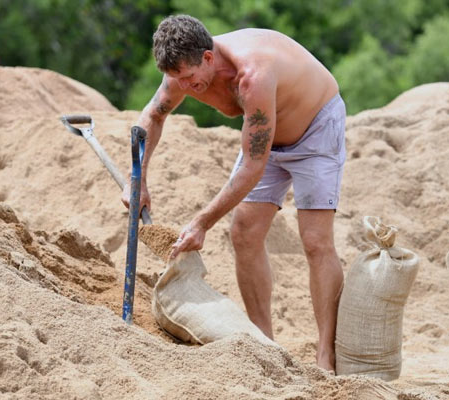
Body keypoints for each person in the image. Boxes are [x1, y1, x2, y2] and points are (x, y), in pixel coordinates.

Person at [121, 14, 346, 372]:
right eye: (177, 79)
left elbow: (252, 168)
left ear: (208, 58)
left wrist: (201, 222)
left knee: (316, 241)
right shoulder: (183, 68)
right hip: (265, 135)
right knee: (244, 233)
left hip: (315, 127)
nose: (185, 87)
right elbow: (152, 117)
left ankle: (326, 355)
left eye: (190, 80)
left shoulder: (253, 76)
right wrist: (139, 180)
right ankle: (264, 342)